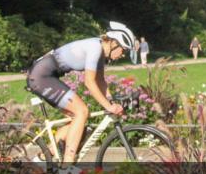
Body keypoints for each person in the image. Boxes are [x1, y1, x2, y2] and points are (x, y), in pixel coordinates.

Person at [25, 22, 135, 164]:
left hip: (46, 75)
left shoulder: (101, 52)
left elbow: (100, 80)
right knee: (82, 111)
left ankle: (40, 158)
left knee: (78, 122)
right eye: (124, 50)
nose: (123, 55)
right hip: (42, 76)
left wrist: (111, 101)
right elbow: (89, 82)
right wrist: (108, 107)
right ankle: (68, 164)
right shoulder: (95, 48)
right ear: (114, 43)